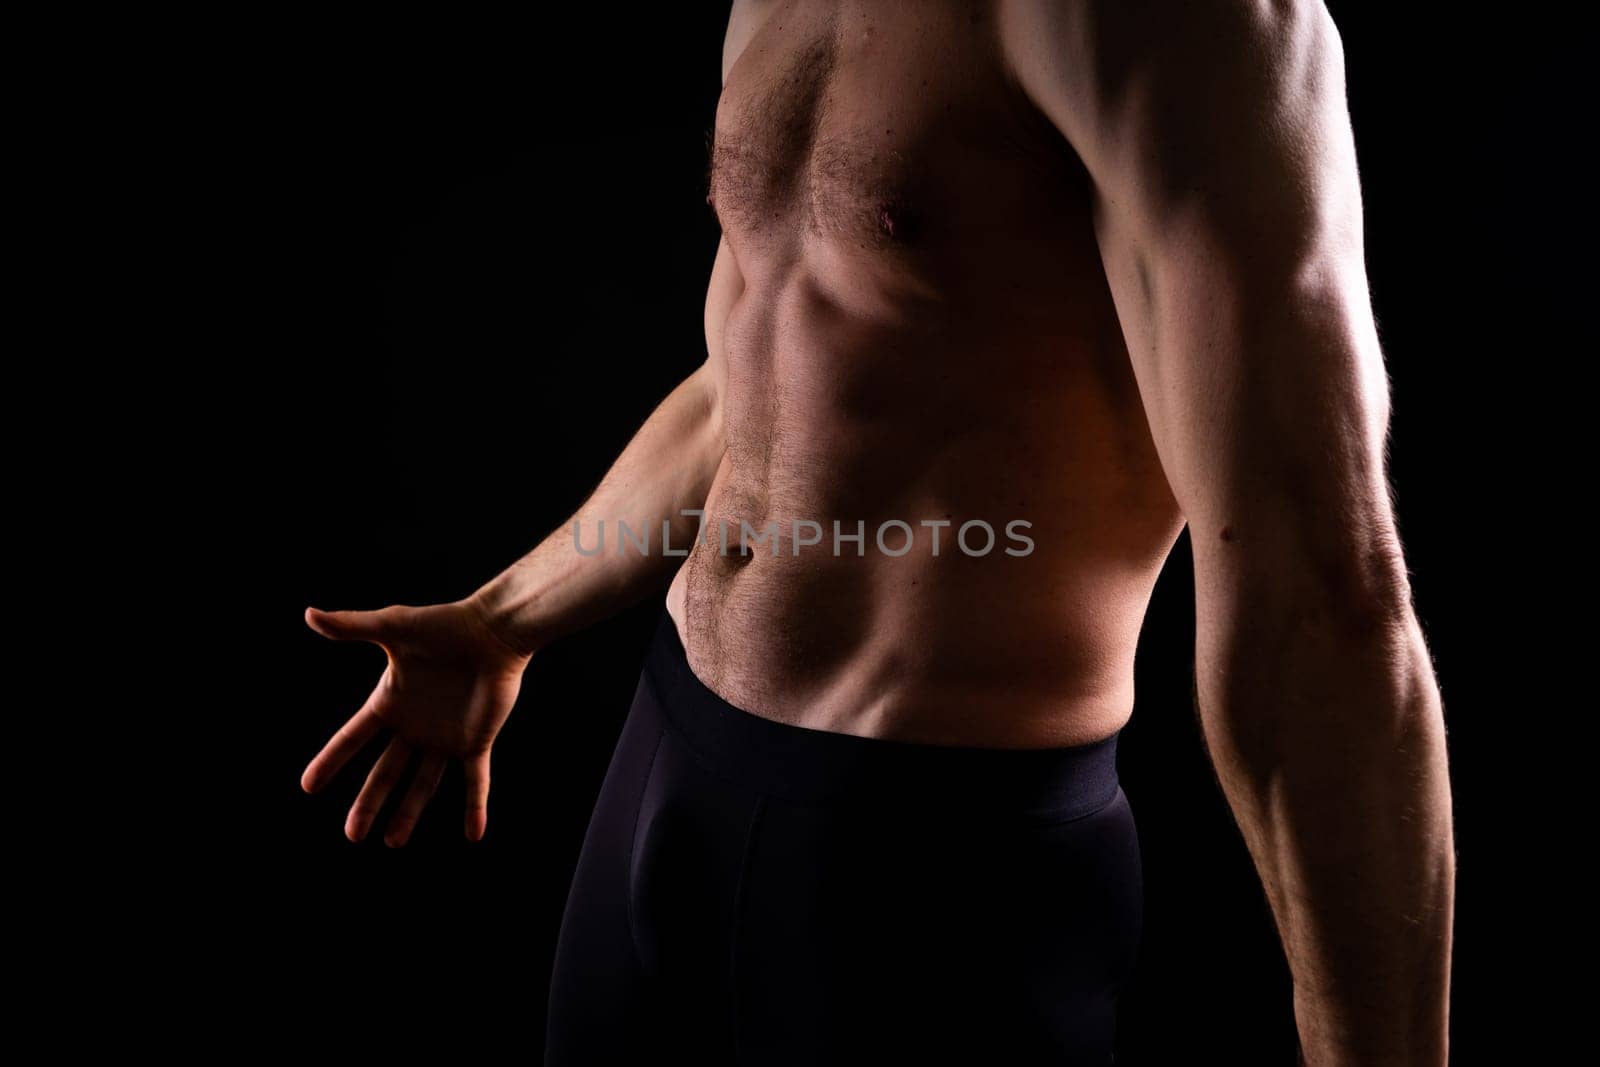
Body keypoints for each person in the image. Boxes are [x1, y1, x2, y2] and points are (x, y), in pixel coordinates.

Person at [299, 2, 1455, 1063]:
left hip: (933, 862)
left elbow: (1323, 589)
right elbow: (749, 387)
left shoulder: (1180, 25)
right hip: (668, 759)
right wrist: (504, 619)